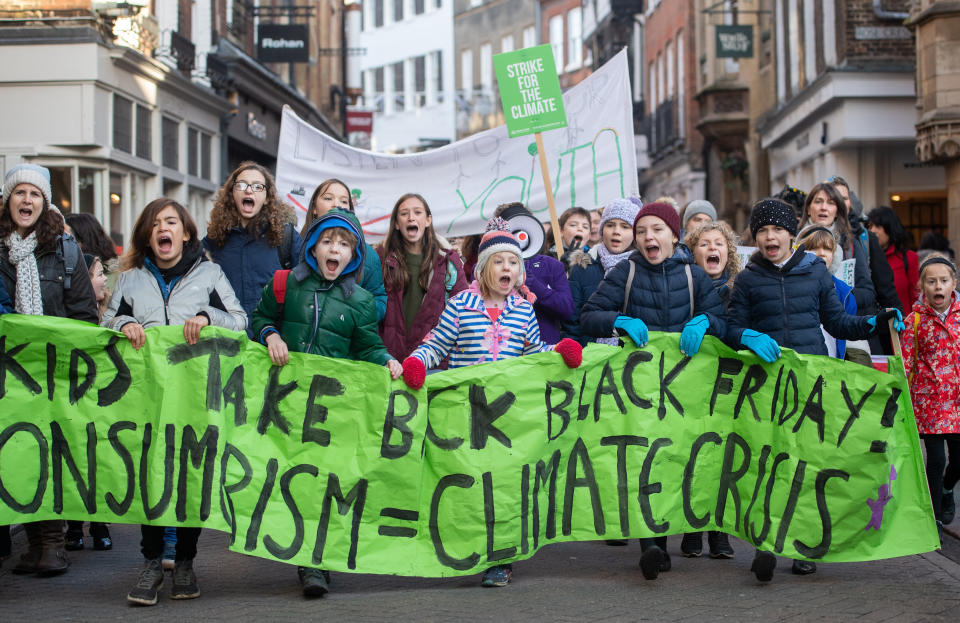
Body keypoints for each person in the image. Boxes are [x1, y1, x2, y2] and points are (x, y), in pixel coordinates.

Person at [400, 217, 583, 588]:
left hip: (508, 416)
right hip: (467, 414)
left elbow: (534, 353)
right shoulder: (460, 305)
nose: (507, 268)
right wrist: (418, 361)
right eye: (498, 262)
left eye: (513, 263)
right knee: (470, 481)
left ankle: (502, 557)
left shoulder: (523, 310)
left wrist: (558, 350)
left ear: (519, 272)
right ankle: (467, 545)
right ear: (483, 268)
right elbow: (437, 344)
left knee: (505, 484)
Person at [728, 198, 902, 581]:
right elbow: (731, 327)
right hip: (766, 386)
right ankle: (767, 545)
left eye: (777, 230)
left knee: (806, 467)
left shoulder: (816, 274)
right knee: (769, 466)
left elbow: (839, 323)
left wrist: (876, 322)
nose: (770, 236)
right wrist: (746, 335)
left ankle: (804, 545)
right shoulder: (748, 278)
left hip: (810, 384)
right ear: (755, 238)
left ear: (792, 234)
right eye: (762, 231)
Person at [103, 197, 247, 605]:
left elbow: (240, 321)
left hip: (195, 399)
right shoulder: (129, 280)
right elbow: (106, 323)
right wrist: (125, 322)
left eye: (171, 222)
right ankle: (151, 562)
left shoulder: (210, 275)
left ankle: (184, 560)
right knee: (151, 476)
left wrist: (207, 318)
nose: (162, 228)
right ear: (149, 237)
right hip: (146, 400)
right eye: (155, 224)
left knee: (189, 478)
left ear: (185, 234)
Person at [253, 208, 402, 597]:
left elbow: (368, 346)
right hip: (287, 403)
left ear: (354, 256)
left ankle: (314, 562)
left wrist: (386, 360)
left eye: (345, 244)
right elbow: (259, 318)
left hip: (331, 408)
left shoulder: (363, 301)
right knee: (296, 481)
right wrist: (271, 335)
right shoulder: (284, 283)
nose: (336, 249)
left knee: (323, 482)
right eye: (328, 241)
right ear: (314, 248)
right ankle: (307, 556)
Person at [578, 202, 731, 581]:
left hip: (685, 389)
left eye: (657, 229)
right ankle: (651, 546)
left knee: (675, 460)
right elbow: (587, 316)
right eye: (642, 230)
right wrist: (618, 320)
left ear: (674, 236)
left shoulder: (695, 276)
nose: (649, 236)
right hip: (639, 389)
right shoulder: (625, 272)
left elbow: (725, 324)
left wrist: (707, 321)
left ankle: (665, 540)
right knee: (644, 462)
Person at [0, 164, 98, 577]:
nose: (27, 200)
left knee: (49, 454)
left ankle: (54, 544)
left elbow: (84, 315)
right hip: (8, 375)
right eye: (19, 192)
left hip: (53, 372)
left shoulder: (66, 251)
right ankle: (36, 545)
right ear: (8, 201)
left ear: (45, 203)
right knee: (18, 456)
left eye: (35, 194)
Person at [678, 219, 741, 560]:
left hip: (728, 384)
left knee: (724, 456)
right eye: (704, 243)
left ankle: (719, 533)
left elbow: (741, 326)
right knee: (694, 455)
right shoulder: (683, 286)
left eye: (718, 242)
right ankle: (692, 528)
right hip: (691, 384)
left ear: (728, 252)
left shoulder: (740, 287)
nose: (712, 248)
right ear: (693, 252)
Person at [901, 253, 960, 541]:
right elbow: (906, 363)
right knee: (935, 459)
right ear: (922, 287)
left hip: (958, 403)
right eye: (932, 281)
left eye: (944, 281)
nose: (938, 286)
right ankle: (934, 519)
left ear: (954, 284)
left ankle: (948, 489)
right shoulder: (914, 322)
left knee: (958, 459)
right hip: (929, 404)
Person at [203, 162, 300, 334]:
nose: (249, 190)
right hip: (226, 344)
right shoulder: (214, 241)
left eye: (257, 186)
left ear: (267, 197)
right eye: (241, 185)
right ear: (232, 193)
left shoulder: (286, 238)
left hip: (271, 345)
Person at [378, 192, 468, 362]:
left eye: (417, 212)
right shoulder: (381, 259)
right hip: (388, 363)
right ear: (397, 224)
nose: (411, 218)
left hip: (432, 366)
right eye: (404, 214)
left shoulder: (448, 261)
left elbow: (463, 313)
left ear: (428, 220)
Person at [64, 253, 113, 552]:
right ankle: (74, 525)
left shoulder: (112, 313)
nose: (104, 279)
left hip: (104, 402)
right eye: (97, 274)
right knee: (74, 459)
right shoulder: (69, 315)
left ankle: (100, 523)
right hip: (75, 398)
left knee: (101, 461)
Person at [301, 178, 387, 321]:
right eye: (328, 198)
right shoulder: (296, 245)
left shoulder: (368, 255)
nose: (336, 204)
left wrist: (352, 318)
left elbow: (379, 299)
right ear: (314, 208)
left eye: (344, 201)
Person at [494, 202, 574, 344]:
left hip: (543, 350)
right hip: (503, 350)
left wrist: (535, 286)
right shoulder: (487, 268)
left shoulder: (551, 266)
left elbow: (567, 310)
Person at [566, 197, 640, 345]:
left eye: (625, 227)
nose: (616, 232)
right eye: (610, 225)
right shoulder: (582, 267)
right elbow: (572, 322)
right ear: (602, 230)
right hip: (590, 357)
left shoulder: (641, 268)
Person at [827, 176, 902, 317]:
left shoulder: (864, 238)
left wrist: (897, 319)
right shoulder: (808, 236)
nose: (840, 203)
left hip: (860, 322)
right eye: (833, 198)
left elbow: (885, 289)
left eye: (844, 198)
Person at [795, 227, 860, 361]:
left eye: (828, 249)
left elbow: (851, 336)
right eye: (814, 247)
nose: (821, 253)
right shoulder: (787, 284)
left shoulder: (844, 293)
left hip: (832, 366)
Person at [867, 206, 920, 313]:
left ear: (890, 228)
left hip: (901, 324)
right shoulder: (864, 258)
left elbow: (916, 298)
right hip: (870, 324)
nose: (873, 231)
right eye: (870, 226)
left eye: (878, 226)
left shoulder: (909, 258)